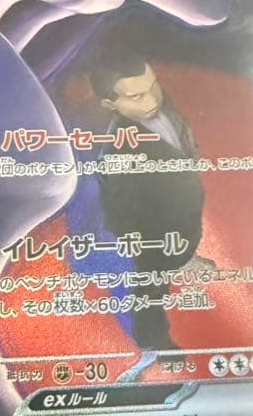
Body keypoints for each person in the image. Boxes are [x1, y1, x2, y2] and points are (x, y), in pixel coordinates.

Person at [90, 52, 212, 374]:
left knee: (186, 240)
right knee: (151, 286)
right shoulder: (117, 149)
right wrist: (142, 241)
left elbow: (182, 139)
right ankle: (153, 340)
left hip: (182, 210)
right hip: (151, 231)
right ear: (110, 104)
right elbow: (121, 207)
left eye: (153, 86)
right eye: (136, 96)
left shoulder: (164, 108)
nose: (152, 99)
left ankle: (184, 258)